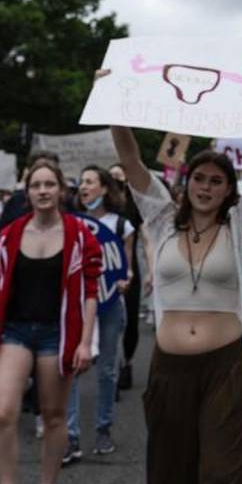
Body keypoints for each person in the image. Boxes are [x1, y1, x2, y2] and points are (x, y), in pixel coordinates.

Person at [109, 119, 242, 484]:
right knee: (169, 475)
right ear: (187, 182)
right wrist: (115, 106)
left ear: (228, 190)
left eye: (216, 181)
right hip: (169, 369)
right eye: (199, 178)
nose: (206, 187)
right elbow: (130, 159)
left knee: (223, 475)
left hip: (225, 367)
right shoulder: (162, 220)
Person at [0, 159, 101, 484]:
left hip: (57, 334)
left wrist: (84, 343)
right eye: (36, 185)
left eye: (49, 184)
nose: (43, 191)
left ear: (61, 190)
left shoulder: (80, 235)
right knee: (3, 411)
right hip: (15, 332)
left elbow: (90, 292)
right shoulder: (9, 236)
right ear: (28, 192)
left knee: (52, 414)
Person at [62, 165, 133, 464]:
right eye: (82, 182)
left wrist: (126, 279)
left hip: (110, 303)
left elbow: (126, 267)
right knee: (71, 368)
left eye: (90, 181)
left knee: (106, 369)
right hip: (77, 304)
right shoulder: (70, 223)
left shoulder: (122, 226)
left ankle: (103, 428)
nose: (84, 186)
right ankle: (71, 435)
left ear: (104, 188)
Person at [108, 162, 145, 391]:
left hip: (130, 269)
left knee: (131, 319)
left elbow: (147, 237)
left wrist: (152, 268)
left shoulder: (134, 206)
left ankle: (127, 362)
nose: (116, 180)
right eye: (111, 176)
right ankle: (111, 367)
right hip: (107, 270)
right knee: (110, 321)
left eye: (120, 176)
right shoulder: (103, 206)